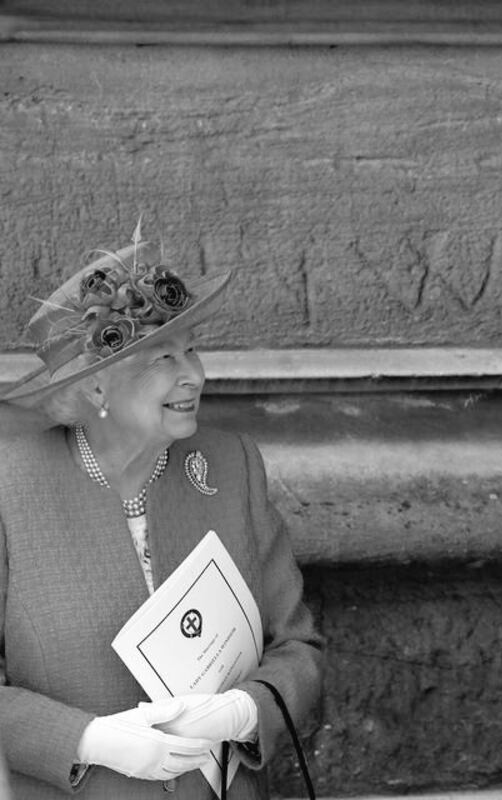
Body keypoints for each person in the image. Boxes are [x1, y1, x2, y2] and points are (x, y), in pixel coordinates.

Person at [0, 230, 323, 798]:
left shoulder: (231, 464)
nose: (193, 375)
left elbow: (298, 651)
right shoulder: (10, 486)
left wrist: (242, 712)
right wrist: (88, 739)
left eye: (191, 349)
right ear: (95, 384)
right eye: (163, 359)